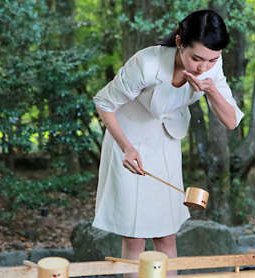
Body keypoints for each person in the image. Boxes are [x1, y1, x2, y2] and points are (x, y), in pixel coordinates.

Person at [92, 9, 244, 275]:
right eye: (197, 58)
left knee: (167, 232)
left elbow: (231, 121)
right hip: (129, 139)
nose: (203, 66)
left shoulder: (211, 67)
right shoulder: (146, 63)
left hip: (166, 142)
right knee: (135, 233)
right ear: (178, 42)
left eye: (212, 59)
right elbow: (104, 103)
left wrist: (211, 90)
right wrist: (126, 148)